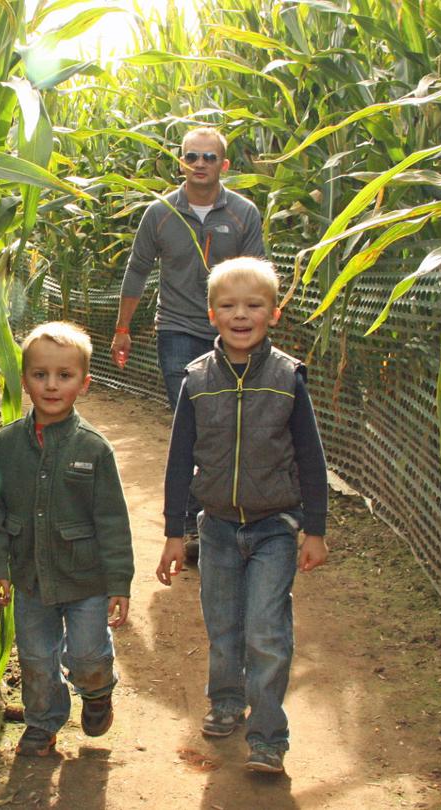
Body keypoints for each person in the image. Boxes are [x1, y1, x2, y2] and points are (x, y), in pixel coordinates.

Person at [155, 257, 329, 775]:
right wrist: (172, 531)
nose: (241, 314)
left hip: (276, 526)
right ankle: (227, 701)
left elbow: (312, 458)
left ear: (273, 314)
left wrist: (314, 529)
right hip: (218, 527)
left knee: (266, 630)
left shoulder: (287, 378)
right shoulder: (197, 380)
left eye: (254, 305)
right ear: (211, 314)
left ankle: (269, 736)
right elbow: (178, 458)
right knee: (223, 624)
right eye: (228, 305)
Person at [0, 321, 134, 758]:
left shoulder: (94, 449)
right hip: (30, 580)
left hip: (85, 579)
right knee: (36, 659)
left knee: (85, 655)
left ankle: (97, 689)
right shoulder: (5, 446)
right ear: (24, 380)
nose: (51, 385)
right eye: (40, 374)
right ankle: (42, 723)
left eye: (64, 376)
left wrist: (119, 582)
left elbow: (113, 522)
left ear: (83, 384)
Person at [111, 126, 265, 563]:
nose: (200, 164)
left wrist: (257, 327)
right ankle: (192, 526)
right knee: (191, 421)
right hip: (177, 329)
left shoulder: (243, 213)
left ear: (224, 165)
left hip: (232, 333)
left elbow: (258, 273)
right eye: (191, 157)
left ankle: (229, 517)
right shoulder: (160, 213)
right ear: (181, 162)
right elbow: (137, 270)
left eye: (209, 158)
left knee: (230, 422)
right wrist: (123, 328)